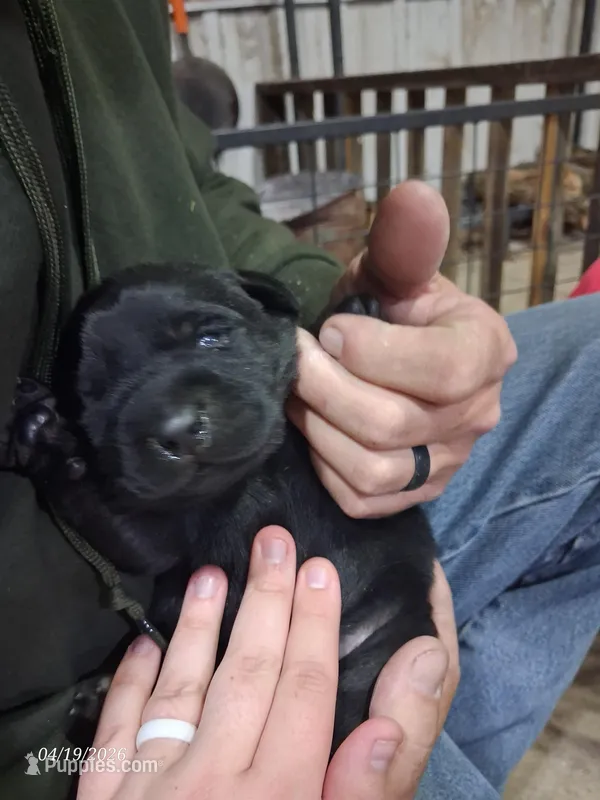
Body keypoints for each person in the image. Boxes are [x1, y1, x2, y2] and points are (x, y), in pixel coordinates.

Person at [0, 0, 598, 798]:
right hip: (122, 718)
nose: (176, 416)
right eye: (104, 402)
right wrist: (60, 461)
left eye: (210, 337)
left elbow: (190, 179)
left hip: (381, 592)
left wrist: (352, 309)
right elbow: (140, 545)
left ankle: (444, 741)